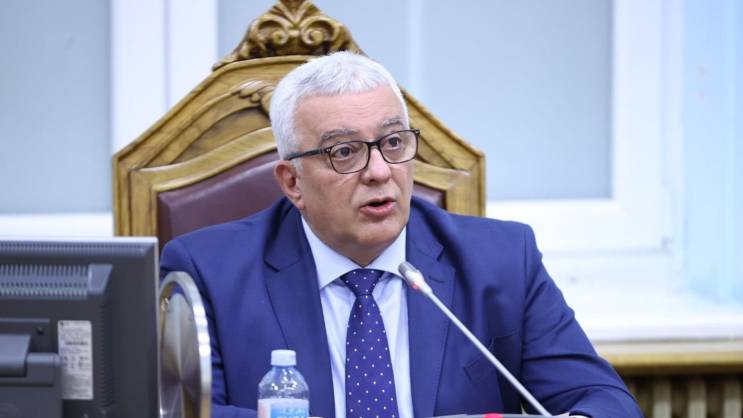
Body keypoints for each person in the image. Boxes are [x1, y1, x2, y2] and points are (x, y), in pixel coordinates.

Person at [160, 51, 642, 418]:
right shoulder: (209, 274)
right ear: (292, 183)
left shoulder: (502, 260)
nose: (379, 171)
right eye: (344, 152)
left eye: (393, 142)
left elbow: (604, 401)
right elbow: (181, 413)